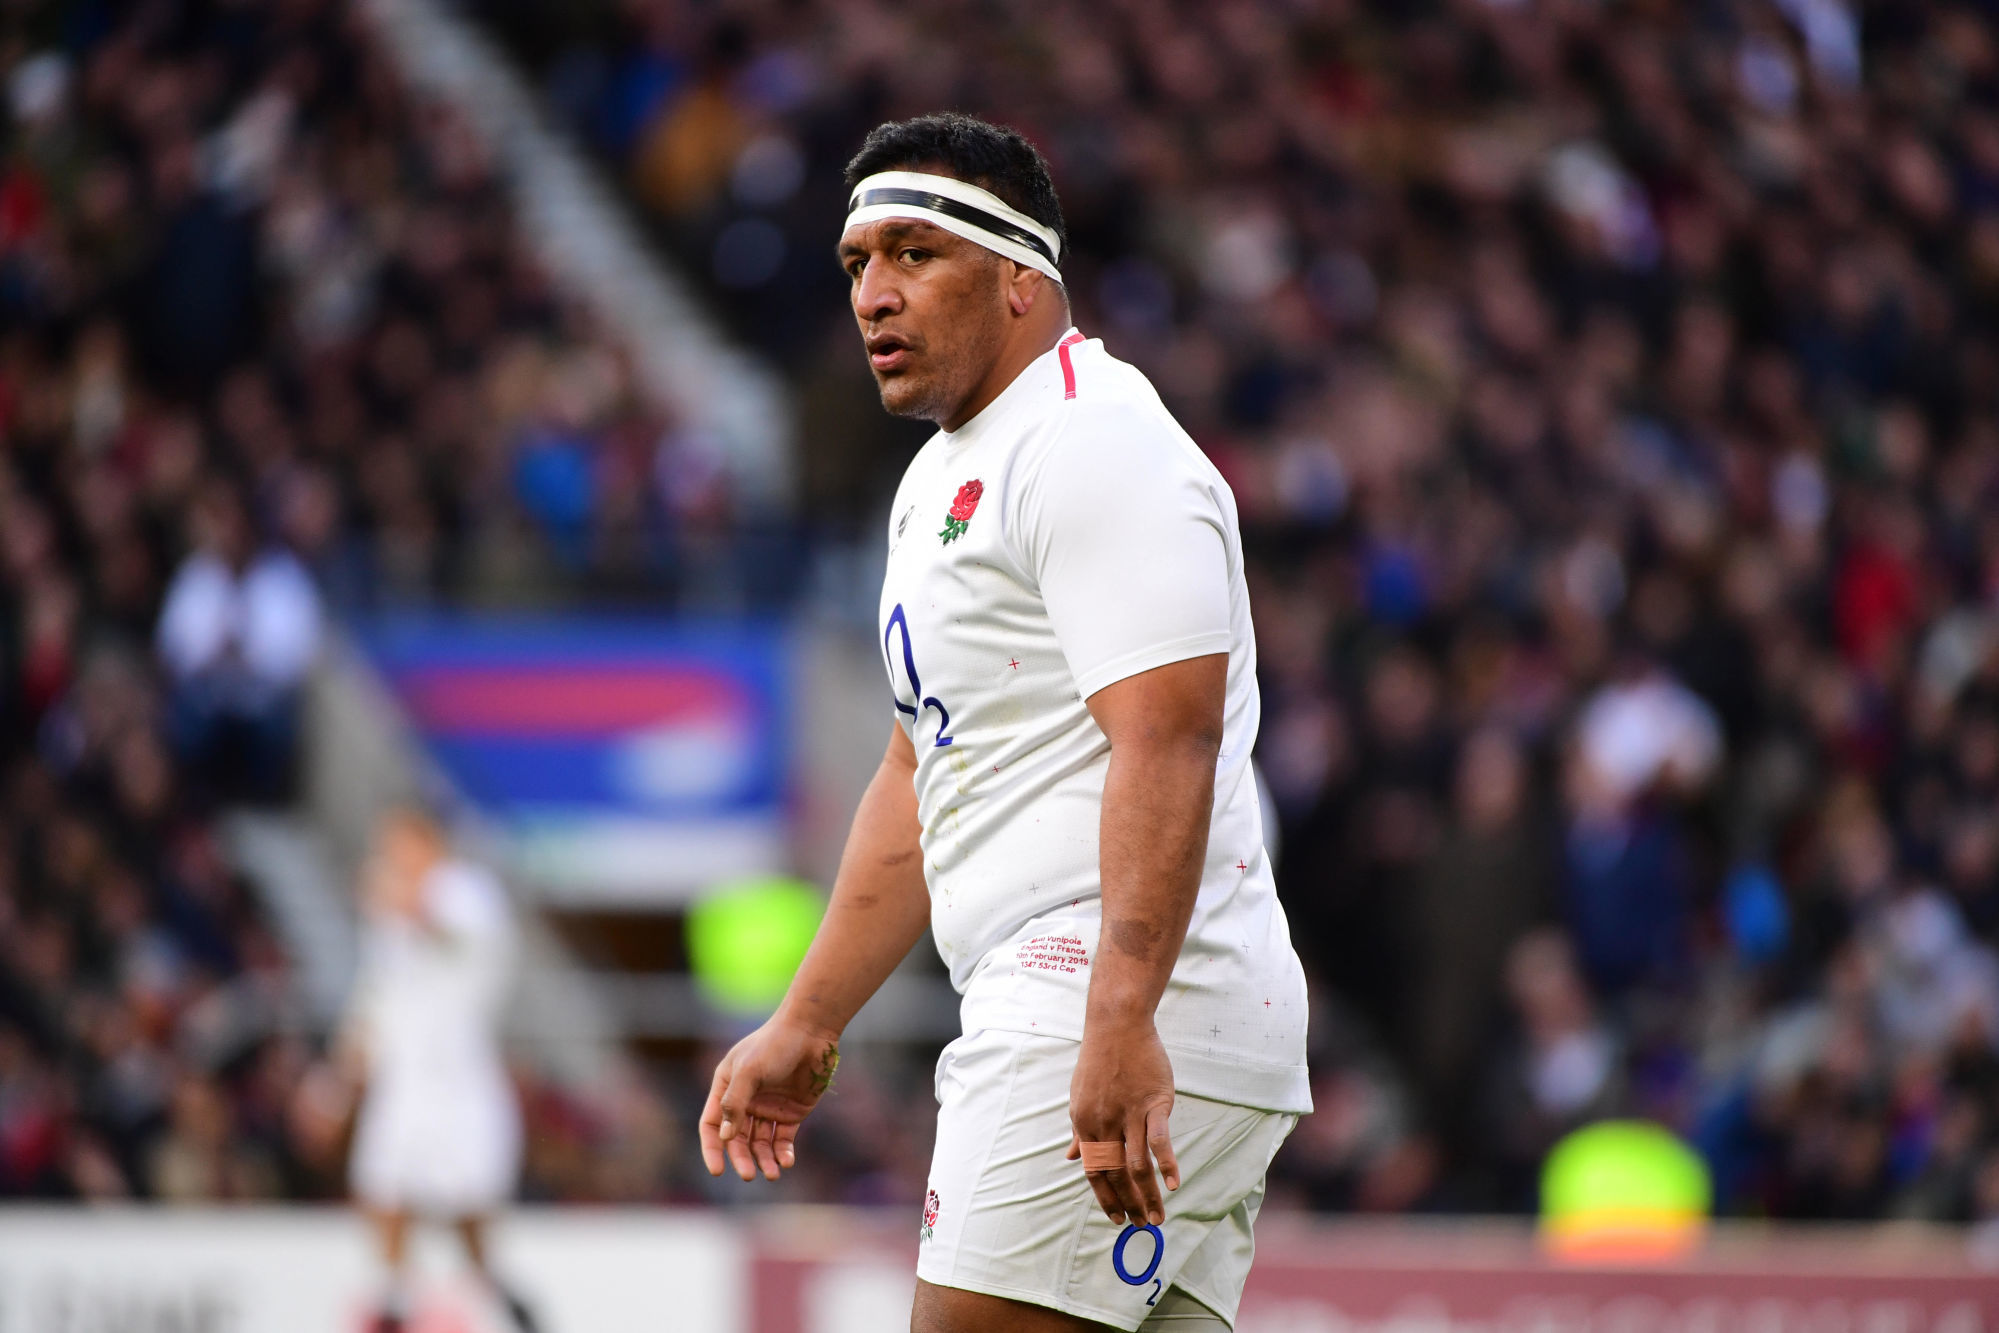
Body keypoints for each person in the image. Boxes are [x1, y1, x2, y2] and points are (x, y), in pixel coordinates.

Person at [700, 114, 1310, 1333]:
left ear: (1021, 276)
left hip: (1105, 989)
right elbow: (922, 770)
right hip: (1100, 997)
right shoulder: (942, 475)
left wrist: (1121, 1016)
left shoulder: (1093, 444)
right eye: (857, 263)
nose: (873, 293)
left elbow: (1167, 738)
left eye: (914, 255)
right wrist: (809, 1017)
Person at [339, 806, 539, 1333]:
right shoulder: (386, 916)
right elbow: (380, 989)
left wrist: (401, 900)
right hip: (403, 1077)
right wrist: (354, 1049)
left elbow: (451, 935)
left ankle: (495, 1287)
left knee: (466, 1201)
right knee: (382, 1183)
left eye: (399, 844)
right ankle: (392, 1298)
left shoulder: (466, 891)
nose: (391, 857)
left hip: (458, 1078)